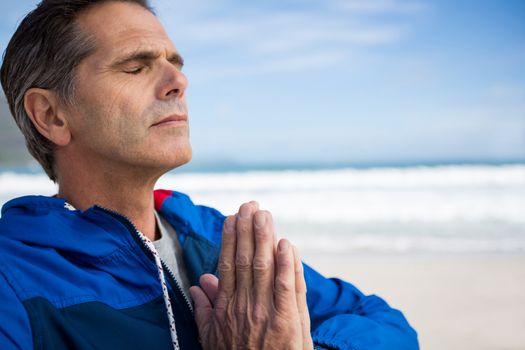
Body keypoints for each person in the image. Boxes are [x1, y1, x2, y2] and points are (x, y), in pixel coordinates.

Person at [0, 0, 419, 349]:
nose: (178, 81)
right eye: (135, 67)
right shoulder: (14, 280)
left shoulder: (218, 238)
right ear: (52, 115)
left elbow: (391, 328)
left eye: (174, 63)